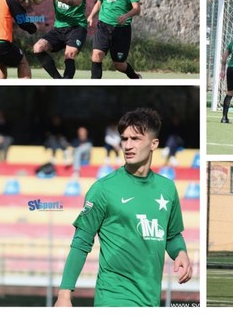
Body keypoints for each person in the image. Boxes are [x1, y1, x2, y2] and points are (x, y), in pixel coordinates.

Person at [54, 108, 192, 306]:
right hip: (113, 298)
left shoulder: (167, 188)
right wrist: (64, 294)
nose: (127, 145)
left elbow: (172, 235)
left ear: (154, 144)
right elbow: (81, 242)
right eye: (124, 139)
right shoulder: (103, 189)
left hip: (150, 301)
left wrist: (180, 252)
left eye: (135, 139)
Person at [26, 0, 87, 79]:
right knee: (38, 48)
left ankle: (66, 82)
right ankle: (58, 80)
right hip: (59, 29)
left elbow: (77, 1)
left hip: (77, 28)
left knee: (69, 54)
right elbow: (38, 0)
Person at [88, 0, 142, 79]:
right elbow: (99, 2)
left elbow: (137, 9)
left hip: (121, 29)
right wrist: (91, 16)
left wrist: (126, 16)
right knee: (96, 56)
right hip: (103, 25)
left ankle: (135, 77)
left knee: (119, 64)